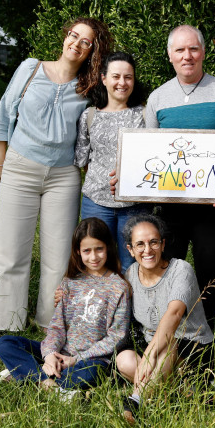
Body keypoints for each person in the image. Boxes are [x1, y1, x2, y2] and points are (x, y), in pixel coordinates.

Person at [0, 17, 112, 344]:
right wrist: (0, 161)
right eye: (74, 35)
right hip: (20, 167)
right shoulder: (30, 69)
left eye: (86, 41)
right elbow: (4, 113)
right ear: (65, 36)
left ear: (92, 51)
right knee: (11, 250)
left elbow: (116, 110)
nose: (76, 43)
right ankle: (4, 321)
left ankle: (48, 325)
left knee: (58, 258)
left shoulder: (89, 88)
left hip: (64, 177)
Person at [144, 24, 215, 329]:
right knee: (168, 270)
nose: (187, 56)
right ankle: (167, 335)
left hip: (213, 206)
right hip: (171, 204)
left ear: (203, 51)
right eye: (180, 50)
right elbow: (152, 155)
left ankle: (205, 336)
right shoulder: (157, 99)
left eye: (193, 49)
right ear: (170, 56)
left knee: (209, 273)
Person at [0, 218, 131, 394]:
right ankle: (49, 383)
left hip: (91, 360)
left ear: (108, 248)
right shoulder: (70, 282)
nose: (94, 256)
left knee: (92, 373)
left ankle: (27, 373)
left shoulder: (119, 287)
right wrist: (50, 354)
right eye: (87, 251)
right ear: (78, 251)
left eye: (99, 249)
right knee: (5, 343)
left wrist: (76, 359)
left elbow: (117, 337)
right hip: (60, 352)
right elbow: (57, 326)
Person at [115, 214, 213, 424]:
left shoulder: (181, 270)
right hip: (153, 346)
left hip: (189, 346)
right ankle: (176, 388)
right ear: (130, 249)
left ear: (163, 244)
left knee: (167, 346)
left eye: (153, 242)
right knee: (123, 360)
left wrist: (149, 356)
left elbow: (174, 315)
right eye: (139, 244)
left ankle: (136, 401)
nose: (147, 250)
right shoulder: (131, 274)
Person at [74, 52, 148, 272]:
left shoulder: (144, 115)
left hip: (135, 205)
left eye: (128, 77)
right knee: (96, 263)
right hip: (96, 202)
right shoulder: (89, 115)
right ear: (104, 78)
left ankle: (130, 307)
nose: (122, 83)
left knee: (132, 265)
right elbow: (81, 159)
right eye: (116, 76)